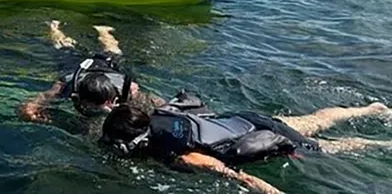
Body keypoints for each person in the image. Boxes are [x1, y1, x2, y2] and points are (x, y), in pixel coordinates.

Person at [100, 90, 392, 194]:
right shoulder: (159, 115)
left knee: (326, 148)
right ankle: (371, 109)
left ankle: (381, 145)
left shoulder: (183, 156)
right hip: (246, 119)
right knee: (313, 120)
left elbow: (240, 177)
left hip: (254, 135)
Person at [19, 21, 162, 124]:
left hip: (106, 67)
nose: (104, 107)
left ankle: (103, 30)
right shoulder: (68, 86)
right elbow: (43, 97)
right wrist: (30, 110)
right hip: (78, 68)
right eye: (95, 105)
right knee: (63, 48)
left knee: (113, 52)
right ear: (82, 99)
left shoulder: (123, 87)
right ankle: (54, 27)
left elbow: (141, 92)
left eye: (106, 102)